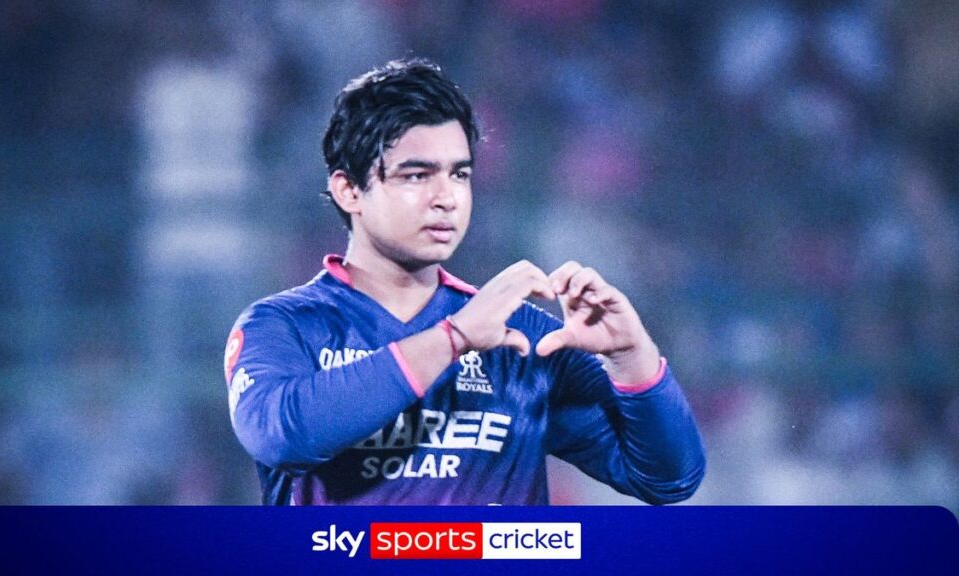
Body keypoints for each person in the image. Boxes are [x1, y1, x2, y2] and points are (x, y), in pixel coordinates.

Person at [223, 58, 705, 505]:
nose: (446, 198)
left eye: (459, 174)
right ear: (348, 189)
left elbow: (668, 479)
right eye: (416, 175)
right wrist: (453, 339)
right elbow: (281, 435)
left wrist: (631, 359)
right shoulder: (283, 326)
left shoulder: (523, 337)